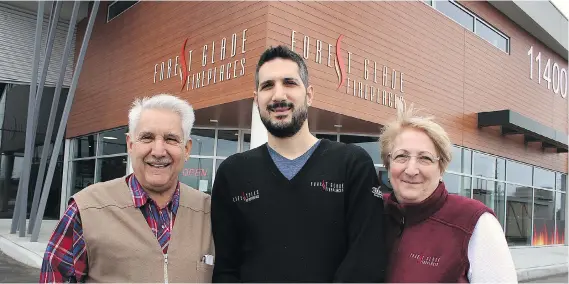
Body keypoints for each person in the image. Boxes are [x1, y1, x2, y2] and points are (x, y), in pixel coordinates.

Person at [210, 45, 387, 282]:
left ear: (309, 94)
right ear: (256, 100)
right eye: (267, 86)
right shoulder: (232, 173)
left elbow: (366, 261)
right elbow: (226, 269)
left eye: (290, 83)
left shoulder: (352, 165)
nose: (278, 96)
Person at [40, 94, 214, 283]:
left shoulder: (210, 212)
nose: (158, 151)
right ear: (130, 145)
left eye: (171, 139)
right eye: (147, 138)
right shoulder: (87, 209)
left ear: (187, 149)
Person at [380, 101, 517, 283]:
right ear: (388, 164)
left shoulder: (474, 222)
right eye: (401, 156)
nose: (411, 170)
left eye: (425, 158)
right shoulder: (371, 212)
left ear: (441, 168)